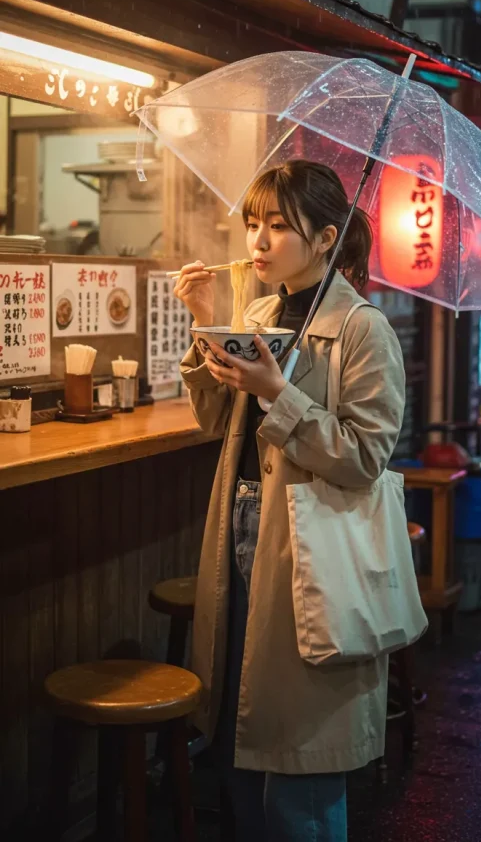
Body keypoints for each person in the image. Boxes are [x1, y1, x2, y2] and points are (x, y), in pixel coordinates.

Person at [176, 160, 405, 841]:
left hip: (313, 546)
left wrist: (278, 391)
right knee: (245, 724)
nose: (258, 240)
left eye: (279, 226)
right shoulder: (258, 313)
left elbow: (365, 456)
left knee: (299, 758)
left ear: (325, 237)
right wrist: (206, 324)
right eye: (252, 224)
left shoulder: (363, 330)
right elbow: (218, 424)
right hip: (244, 522)